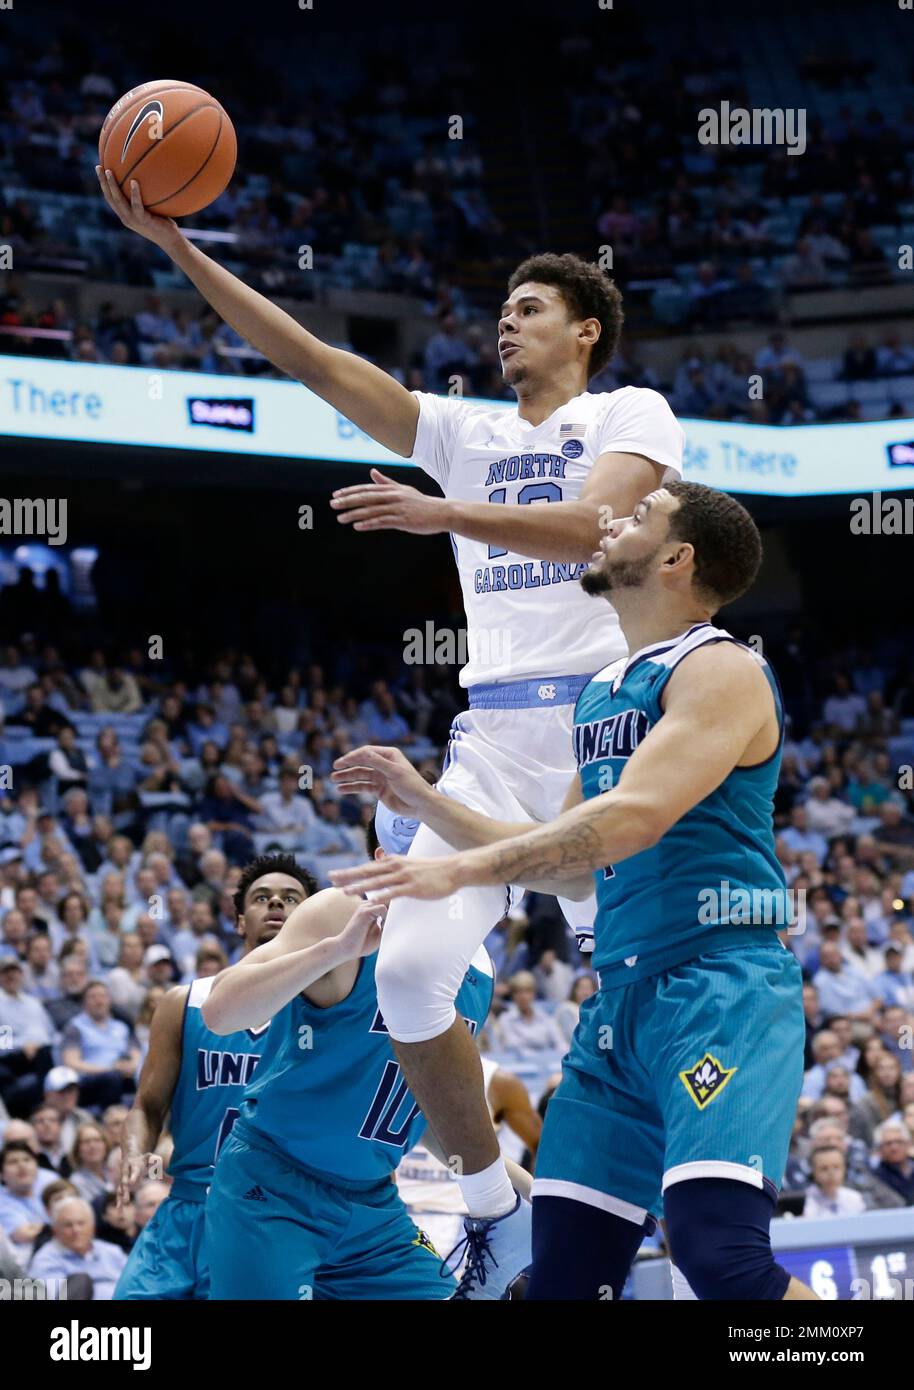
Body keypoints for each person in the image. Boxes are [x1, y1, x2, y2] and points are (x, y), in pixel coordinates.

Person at [98, 169, 683, 1296]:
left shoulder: (624, 414)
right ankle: (488, 1201)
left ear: (585, 330)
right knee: (408, 972)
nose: (505, 322)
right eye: (501, 308)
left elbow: (585, 528)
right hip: (496, 735)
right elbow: (314, 363)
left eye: (528, 308)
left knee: (639, 996)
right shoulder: (461, 431)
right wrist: (179, 247)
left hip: (608, 737)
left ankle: (663, 1214)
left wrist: (439, 511)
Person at [332, 480, 816, 1301]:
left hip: (719, 986)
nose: (608, 524)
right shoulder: (602, 691)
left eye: (637, 517)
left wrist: (458, 869)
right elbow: (565, 867)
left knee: (721, 1260)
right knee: (561, 1281)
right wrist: (428, 802)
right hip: (618, 1000)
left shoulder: (722, 667)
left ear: (676, 557)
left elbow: (633, 818)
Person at [200, 824, 499, 1300]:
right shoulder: (343, 911)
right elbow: (220, 1012)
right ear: (384, 861)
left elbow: (427, 1110)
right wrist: (336, 950)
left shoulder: (479, 967)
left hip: (373, 1206)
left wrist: (524, 1192)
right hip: (274, 1187)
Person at [113, 853, 308, 1300]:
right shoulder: (185, 1002)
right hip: (187, 1208)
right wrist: (132, 1150)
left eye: (291, 899)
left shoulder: (326, 1014)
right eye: (262, 898)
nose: (276, 902)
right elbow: (148, 1104)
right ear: (240, 922)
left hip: (271, 1216)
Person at [28, 1194, 127, 1299]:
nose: (76, 1230)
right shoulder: (45, 1259)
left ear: (93, 1228)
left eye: (81, 1223)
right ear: (55, 1231)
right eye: (68, 1225)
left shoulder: (112, 1252)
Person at [801, 1146, 866, 1219]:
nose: (831, 1173)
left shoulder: (855, 1198)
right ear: (813, 1172)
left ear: (845, 1169)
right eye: (824, 1168)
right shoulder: (805, 1201)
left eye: (836, 1167)